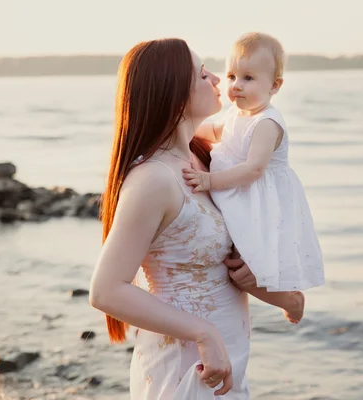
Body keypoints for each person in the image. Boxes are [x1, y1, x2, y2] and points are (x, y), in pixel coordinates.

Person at [89, 38, 302, 399]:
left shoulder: (210, 160)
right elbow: (106, 290)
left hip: (228, 364)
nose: (220, 79)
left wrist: (269, 283)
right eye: (204, 74)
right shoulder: (155, 179)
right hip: (187, 367)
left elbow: (231, 258)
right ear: (174, 94)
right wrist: (205, 333)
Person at [183, 32, 325, 323]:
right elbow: (212, 132)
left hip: (260, 201)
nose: (236, 86)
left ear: (274, 86)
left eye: (248, 78)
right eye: (232, 76)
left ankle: (291, 301)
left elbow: (254, 169)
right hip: (239, 193)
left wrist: (208, 181)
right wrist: (180, 127)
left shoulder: (267, 123)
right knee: (233, 262)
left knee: (244, 268)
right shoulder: (238, 114)